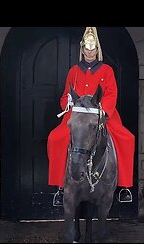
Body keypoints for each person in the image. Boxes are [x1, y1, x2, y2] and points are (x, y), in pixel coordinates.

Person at [47, 27, 135, 206]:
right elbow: (65, 95)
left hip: (101, 115)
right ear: (82, 49)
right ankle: (59, 186)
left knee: (127, 139)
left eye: (92, 48)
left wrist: (104, 112)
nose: (89, 51)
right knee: (56, 138)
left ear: (97, 49)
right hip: (78, 116)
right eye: (86, 48)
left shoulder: (107, 70)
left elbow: (111, 94)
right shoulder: (73, 71)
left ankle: (124, 186)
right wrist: (68, 105)